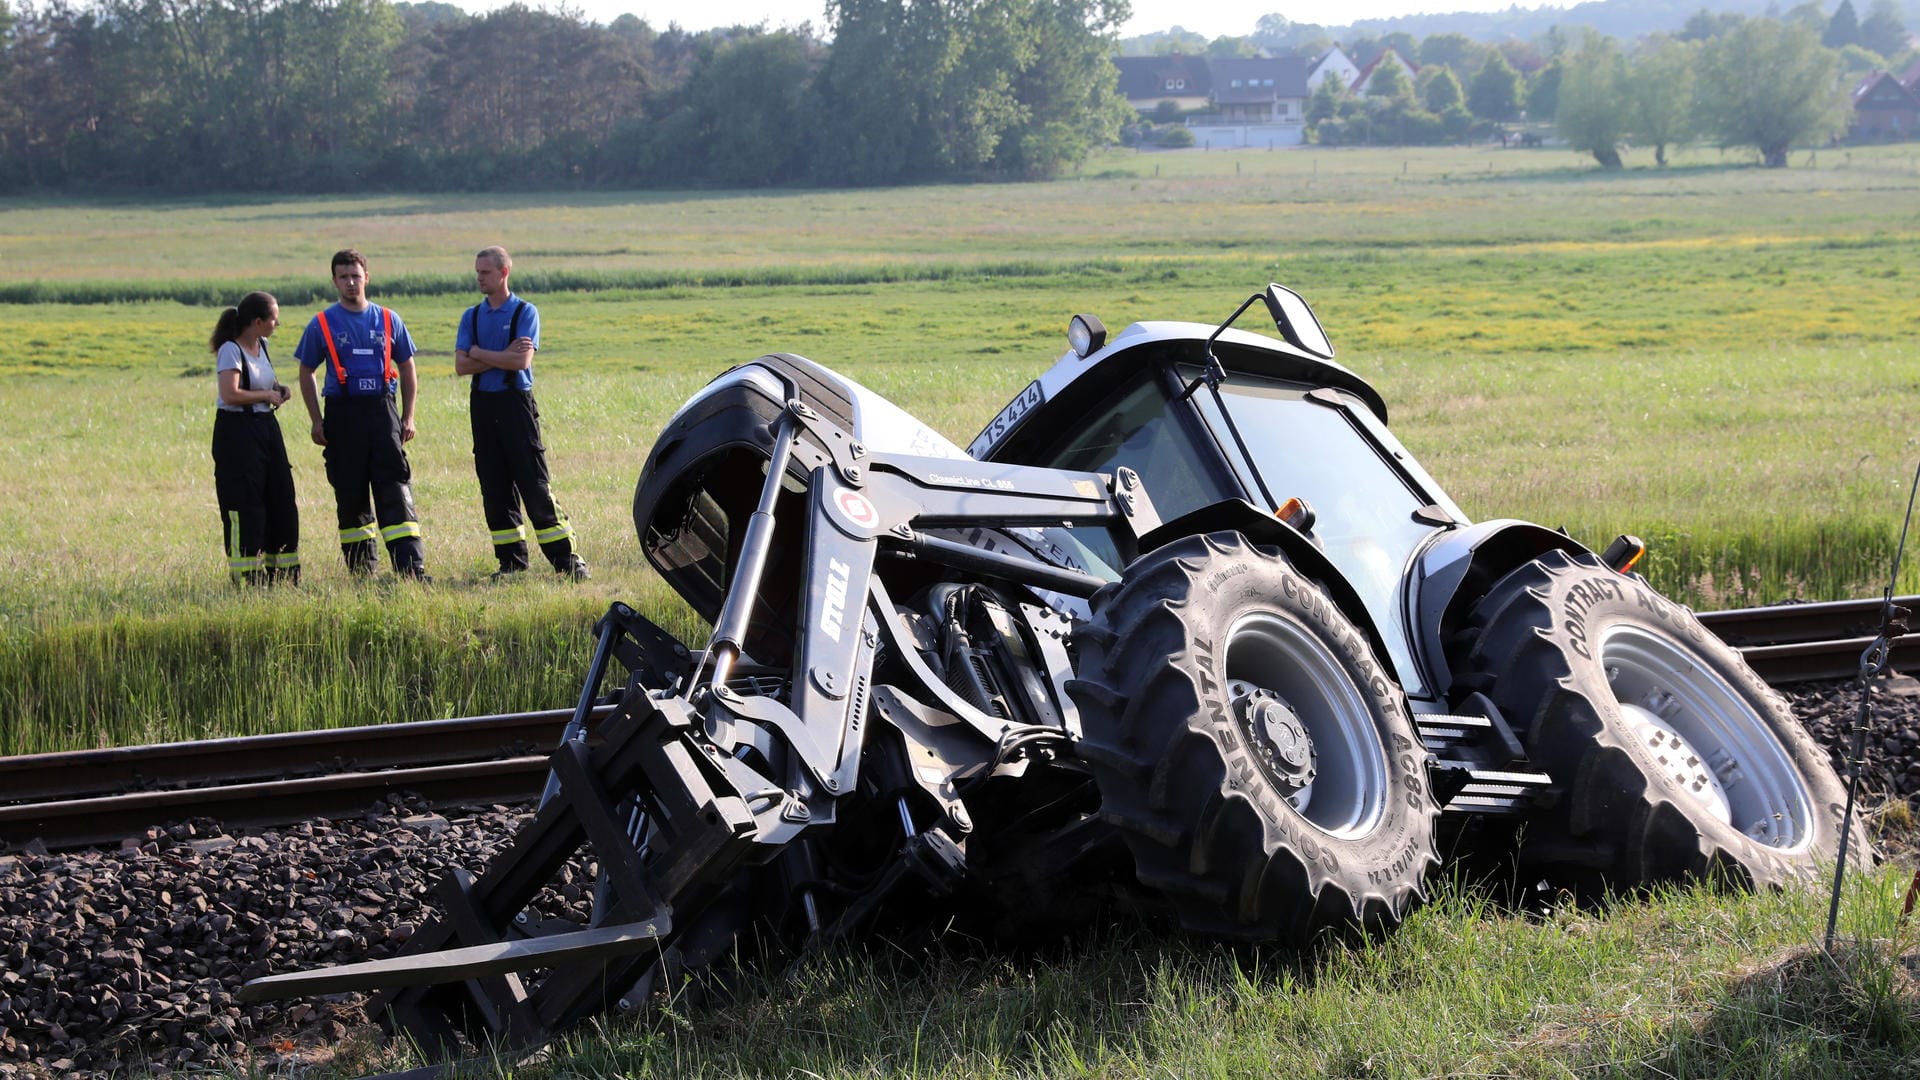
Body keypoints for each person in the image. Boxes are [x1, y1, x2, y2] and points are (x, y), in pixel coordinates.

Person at [294, 249, 429, 580]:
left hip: (383, 413)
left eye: (356, 275)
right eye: (343, 277)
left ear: (366, 277)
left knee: (395, 488)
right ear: (334, 281)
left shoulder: (388, 319)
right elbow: (306, 370)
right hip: (342, 415)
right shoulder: (322, 323)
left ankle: (410, 568)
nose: (351, 282)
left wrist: (408, 417)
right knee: (350, 492)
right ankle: (361, 571)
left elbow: (408, 367)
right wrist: (316, 420)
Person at [455, 245, 588, 580]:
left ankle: (568, 560)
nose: (479, 278)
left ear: (504, 273)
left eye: (485, 272)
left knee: (534, 484)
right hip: (483, 409)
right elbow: (460, 365)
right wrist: (498, 354)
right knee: (494, 488)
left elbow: (521, 361)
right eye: (477, 272)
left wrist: (478, 354)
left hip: (516, 406)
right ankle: (511, 564)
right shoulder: (471, 316)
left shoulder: (525, 312)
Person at [210, 291, 300, 585]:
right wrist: (266, 394)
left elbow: (264, 383)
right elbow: (230, 394)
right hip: (238, 432)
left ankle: (283, 575)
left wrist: (279, 390)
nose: (278, 324)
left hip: (266, 428)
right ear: (258, 321)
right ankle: (248, 577)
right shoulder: (230, 350)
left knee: (281, 497)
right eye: (274, 318)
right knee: (245, 501)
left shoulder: (262, 345)